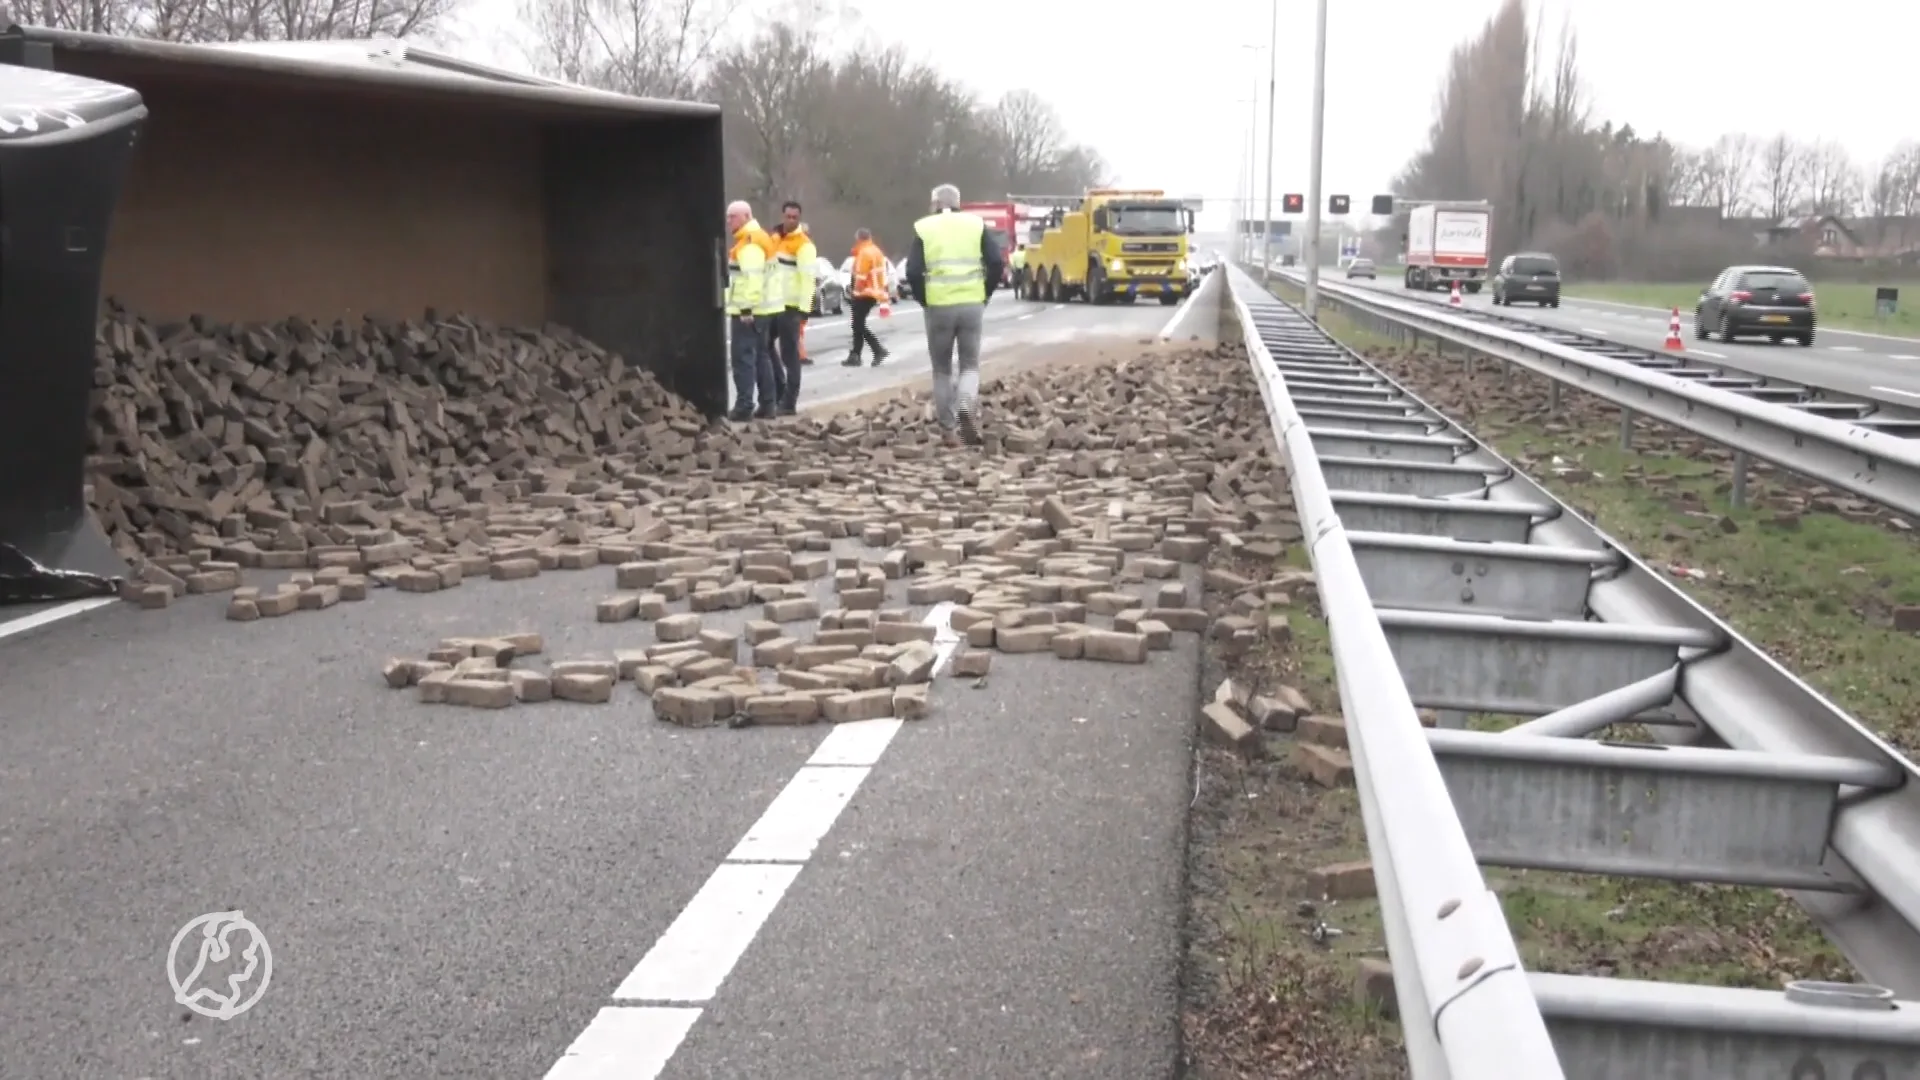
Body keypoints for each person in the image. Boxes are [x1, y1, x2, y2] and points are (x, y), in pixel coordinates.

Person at [905, 183, 1003, 446]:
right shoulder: (975, 224)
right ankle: (965, 405)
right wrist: (984, 294)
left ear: (936, 203)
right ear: (959, 203)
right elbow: (996, 262)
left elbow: (912, 271)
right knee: (970, 365)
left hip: (939, 306)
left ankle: (949, 431)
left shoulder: (924, 227)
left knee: (942, 370)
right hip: (972, 303)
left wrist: (925, 300)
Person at [724, 199, 780, 422]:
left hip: (749, 312)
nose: (729, 221)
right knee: (761, 357)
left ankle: (744, 406)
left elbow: (752, 279)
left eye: (733, 217)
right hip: (762, 311)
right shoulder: (757, 238)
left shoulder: (749, 243)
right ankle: (767, 404)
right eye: (728, 217)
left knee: (743, 359)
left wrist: (746, 308)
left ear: (746, 216)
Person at [769, 201, 813, 415]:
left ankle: (789, 402)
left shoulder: (804, 245)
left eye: (795, 217)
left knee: (790, 355)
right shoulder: (775, 238)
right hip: (773, 304)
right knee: (764, 345)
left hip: (790, 307)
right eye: (788, 216)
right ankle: (780, 390)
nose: (791, 220)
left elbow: (808, 279)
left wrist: (804, 309)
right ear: (783, 215)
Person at [844, 228, 892, 368]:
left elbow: (861, 276)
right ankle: (855, 355)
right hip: (874, 293)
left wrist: (855, 291)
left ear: (859, 239)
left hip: (864, 293)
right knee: (858, 324)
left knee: (858, 325)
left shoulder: (864, 253)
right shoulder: (876, 251)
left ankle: (877, 350)